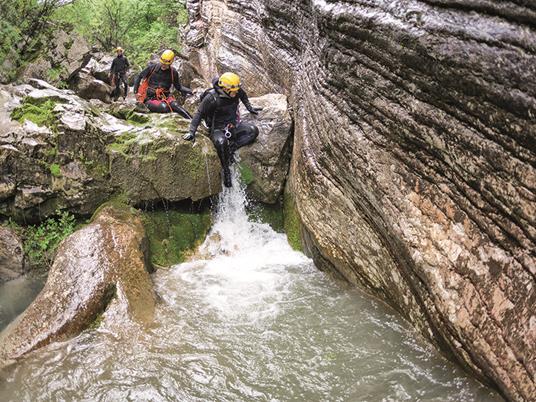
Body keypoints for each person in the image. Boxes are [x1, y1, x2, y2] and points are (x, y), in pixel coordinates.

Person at [183, 72, 262, 187]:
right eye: (234, 91)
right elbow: (199, 114)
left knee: (253, 131)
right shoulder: (212, 97)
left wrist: (250, 108)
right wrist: (191, 131)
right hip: (217, 129)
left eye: (237, 90)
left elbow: (243, 96)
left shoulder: (236, 90)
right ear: (225, 88)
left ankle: (231, 149)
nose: (236, 92)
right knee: (221, 142)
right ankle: (226, 170)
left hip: (233, 125)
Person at [133, 49, 192, 117]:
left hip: (165, 97)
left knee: (177, 107)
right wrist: (136, 92)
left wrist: (191, 91)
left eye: (166, 64)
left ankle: (193, 122)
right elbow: (139, 76)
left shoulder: (173, 72)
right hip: (150, 98)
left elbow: (179, 87)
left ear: (171, 62)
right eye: (162, 63)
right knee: (165, 108)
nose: (163, 65)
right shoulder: (152, 68)